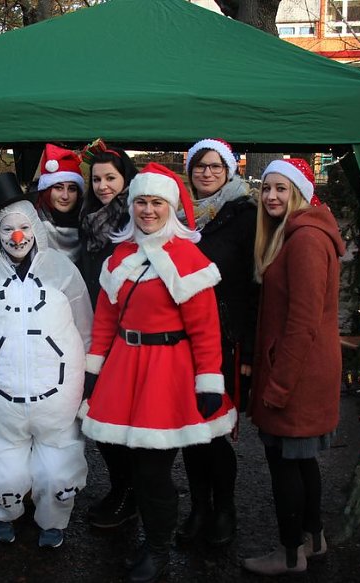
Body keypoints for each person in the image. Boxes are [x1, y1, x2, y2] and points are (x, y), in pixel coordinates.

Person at [80, 163, 237, 583]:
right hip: (126, 369)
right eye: (141, 202)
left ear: (171, 207)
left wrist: (209, 380)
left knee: (152, 471)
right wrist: (93, 369)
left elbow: (206, 329)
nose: (148, 211)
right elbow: (104, 321)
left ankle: (159, 551)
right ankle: (152, 541)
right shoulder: (120, 255)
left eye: (156, 203)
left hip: (169, 374)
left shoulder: (189, 257)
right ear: (131, 207)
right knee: (136, 466)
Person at [0, 172, 92, 548]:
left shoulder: (61, 269)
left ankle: (53, 520)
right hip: (3, 399)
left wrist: (81, 382)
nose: (16, 237)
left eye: (24, 227)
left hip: (56, 398)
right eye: (8, 229)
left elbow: (83, 326)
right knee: (3, 470)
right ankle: (4, 512)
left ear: (35, 229)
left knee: (58, 470)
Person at [242, 158, 344, 576]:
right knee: (302, 462)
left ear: (299, 192)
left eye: (281, 189)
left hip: (297, 375)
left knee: (285, 464)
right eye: (266, 189)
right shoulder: (300, 234)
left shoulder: (305, 241)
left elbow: (302, 325)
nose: (271, 197)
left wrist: (278, 387)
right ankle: (314, 539)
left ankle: (289, 555)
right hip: (301, 369)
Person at [178, 138, 258, 546]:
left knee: (214, 428)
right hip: (184, 338)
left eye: (215, 166)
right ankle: (199, 509)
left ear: (229, 170)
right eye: (199, 166)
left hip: (225, 338)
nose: (207, 173)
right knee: (191, 428)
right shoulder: (181, 215)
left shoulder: (244, 214)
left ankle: (224, 510)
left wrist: (248, 347)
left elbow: (252, 284)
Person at [76, 139, 140, 529]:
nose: (102, 186)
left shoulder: (131, 222)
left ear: (125, 180)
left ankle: (129, 494)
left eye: (110, 178)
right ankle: (122, 489)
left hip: (123, 337)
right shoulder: (91, 221)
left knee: (120, 422)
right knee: (99, 419)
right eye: (96, 179)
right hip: (94, 333)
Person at [34, 144, 84, 263]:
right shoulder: (31, 227)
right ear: (47, 190)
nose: (65, 196)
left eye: (72, 189)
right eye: (58, 188)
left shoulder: (90, 226)